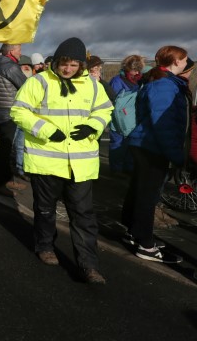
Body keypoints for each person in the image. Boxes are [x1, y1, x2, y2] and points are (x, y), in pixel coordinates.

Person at [11, 37, 113, 284]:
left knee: (83, 215)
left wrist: (92, 127)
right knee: (46, 210)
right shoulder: (39, 82)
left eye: (74, 65)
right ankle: (45, 246)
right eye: (64, 63)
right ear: (56, 62)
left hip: (81, 164)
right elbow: (19, 110)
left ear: (81, 66)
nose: (68, 69)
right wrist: (45, 130)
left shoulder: (93, 85)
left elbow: (105, 110)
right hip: (47, 162)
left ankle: (89, 266)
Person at [121, 46, 191, 264]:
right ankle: (145, 244)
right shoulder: (164, 86)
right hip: (151, 146)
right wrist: (177, 156)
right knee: (147, 195)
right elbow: (165, 125)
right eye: (184, 59)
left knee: (140, 191)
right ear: (175, 61)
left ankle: (135, 233)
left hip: (146, 144)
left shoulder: (162, 82)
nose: (186, 63)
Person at [0, 43, 28, 197]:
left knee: (3, 148)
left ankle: (6, 179)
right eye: (19, 50)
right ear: (11, 51)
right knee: (5, 150)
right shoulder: (10, 67)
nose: (20, 53)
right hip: (9, 112)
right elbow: (26, 86)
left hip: (0, 111)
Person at [107, 54, 145, 174]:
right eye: (133, 70)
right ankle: (116, 169)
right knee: (117, 145)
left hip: (132, 119)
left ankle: (128, 168)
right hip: (118, 120)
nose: (135, 73)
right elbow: (111, 101)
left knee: (130, 146)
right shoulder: (117, 81)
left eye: (137, 70)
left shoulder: (139, 81)